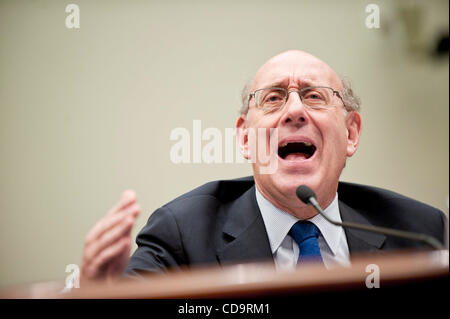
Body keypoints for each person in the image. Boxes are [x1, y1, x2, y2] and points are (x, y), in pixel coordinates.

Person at [80, 50, 446, 282]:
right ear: (245, 138)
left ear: (351, 133)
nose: (294, 110)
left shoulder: (420, 234)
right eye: (272, 98)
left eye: (314, 96)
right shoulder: (182, 235)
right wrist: (96, 295)